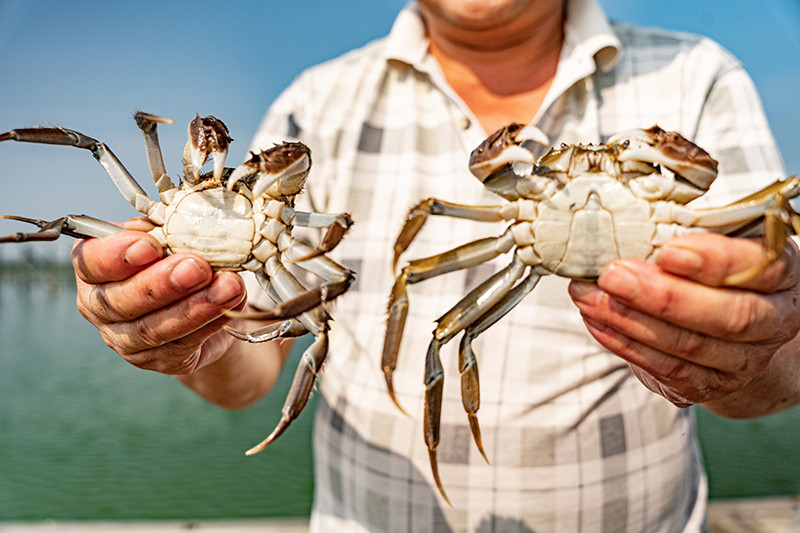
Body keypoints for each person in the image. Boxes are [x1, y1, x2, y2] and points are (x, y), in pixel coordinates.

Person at [71, 0, 800, 531]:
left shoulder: (699, 76)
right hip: (363, 516)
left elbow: (777, 329)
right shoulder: (313, 108)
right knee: (448, 332)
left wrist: (756, 346)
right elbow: (248, 362)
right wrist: (188, 331)